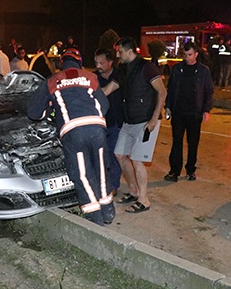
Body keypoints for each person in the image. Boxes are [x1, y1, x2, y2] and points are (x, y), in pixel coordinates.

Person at [26, 48, 115, 226]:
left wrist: (51, 113)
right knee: (101, 169)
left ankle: (95, 217)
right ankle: (108, 211)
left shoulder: (52, 81)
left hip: (73, 131)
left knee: (82, 174)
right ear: (79, 62)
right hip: (97, 129)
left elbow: (33, 112)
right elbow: (104, 105)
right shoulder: (91, 78)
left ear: (61, 62)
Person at [105, 37, 166, 214]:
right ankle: (133, 190)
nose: (117, 54)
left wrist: (154, 118)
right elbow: (108, 90)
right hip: (129, 121)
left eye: (120, 51)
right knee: (119, 154)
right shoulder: (122, 69)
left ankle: (143, 200)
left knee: (137, 160)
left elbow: (162, 91)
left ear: (130, 51)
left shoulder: (146, 67)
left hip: (146, 121)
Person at [164, 42, 214, 182]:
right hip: (178, 112)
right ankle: (174, 171)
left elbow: (208, 91)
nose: (187, 58)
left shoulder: (203, 71)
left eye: (190, 55)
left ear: (196, 54)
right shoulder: (177, 70)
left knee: (193, 143)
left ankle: (190, 170)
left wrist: (206, 110)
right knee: (177, 142)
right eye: (185, 55)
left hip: (194, 113)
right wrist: (168, 106)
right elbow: (171, 89)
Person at [94, 48, 124, 196]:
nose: (98, 65)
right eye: (96, 62)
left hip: (116, 123)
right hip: (98, 124)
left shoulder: (120, 75)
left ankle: (113, 185)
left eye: (101, 62)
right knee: (100, 155)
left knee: (113, 154)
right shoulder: (93, 78)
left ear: (110, 62)